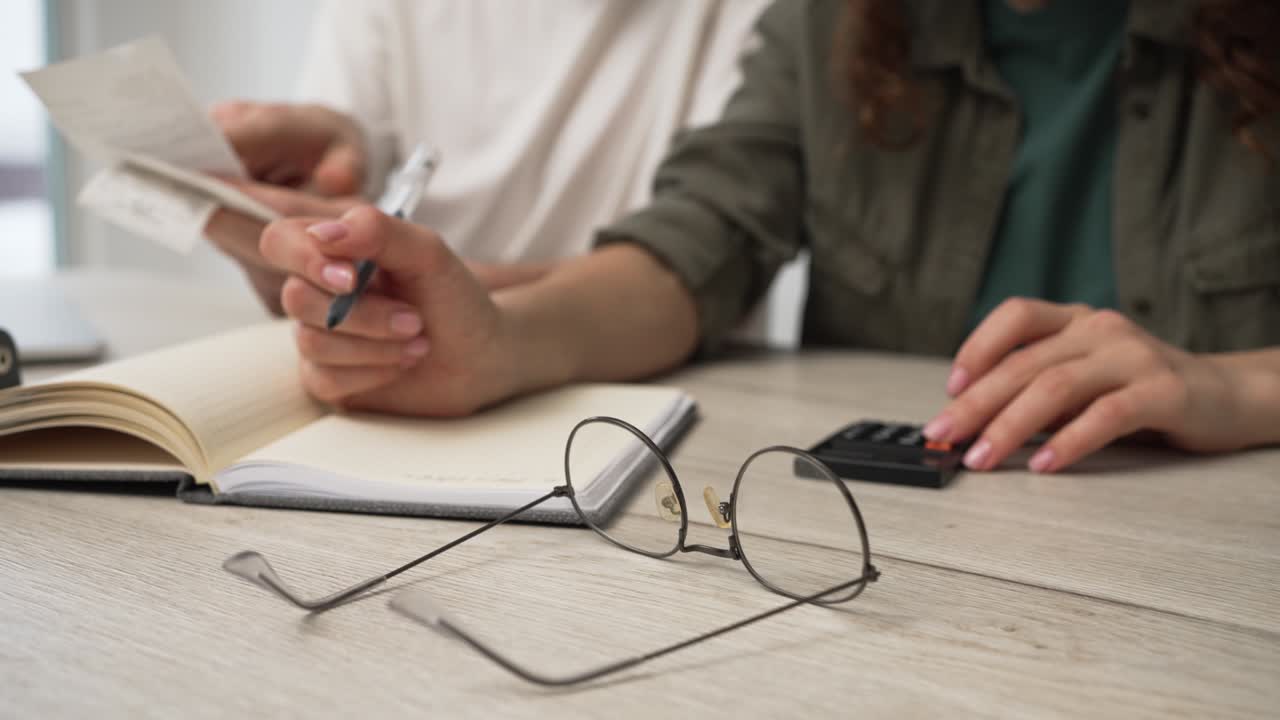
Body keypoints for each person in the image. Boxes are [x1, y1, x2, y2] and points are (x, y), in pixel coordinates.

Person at [256, 0, 1280, 474]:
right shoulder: (827, 22)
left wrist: (1234, 388)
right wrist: (499, 345)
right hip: (914, 570)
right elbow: (694, 245)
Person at [204, 0, 770, 313]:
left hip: (671, 401)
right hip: (397, 389)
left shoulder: (764, 20)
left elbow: (709, 263)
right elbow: (338, 188)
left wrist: (430, 300)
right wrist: (306, 241)